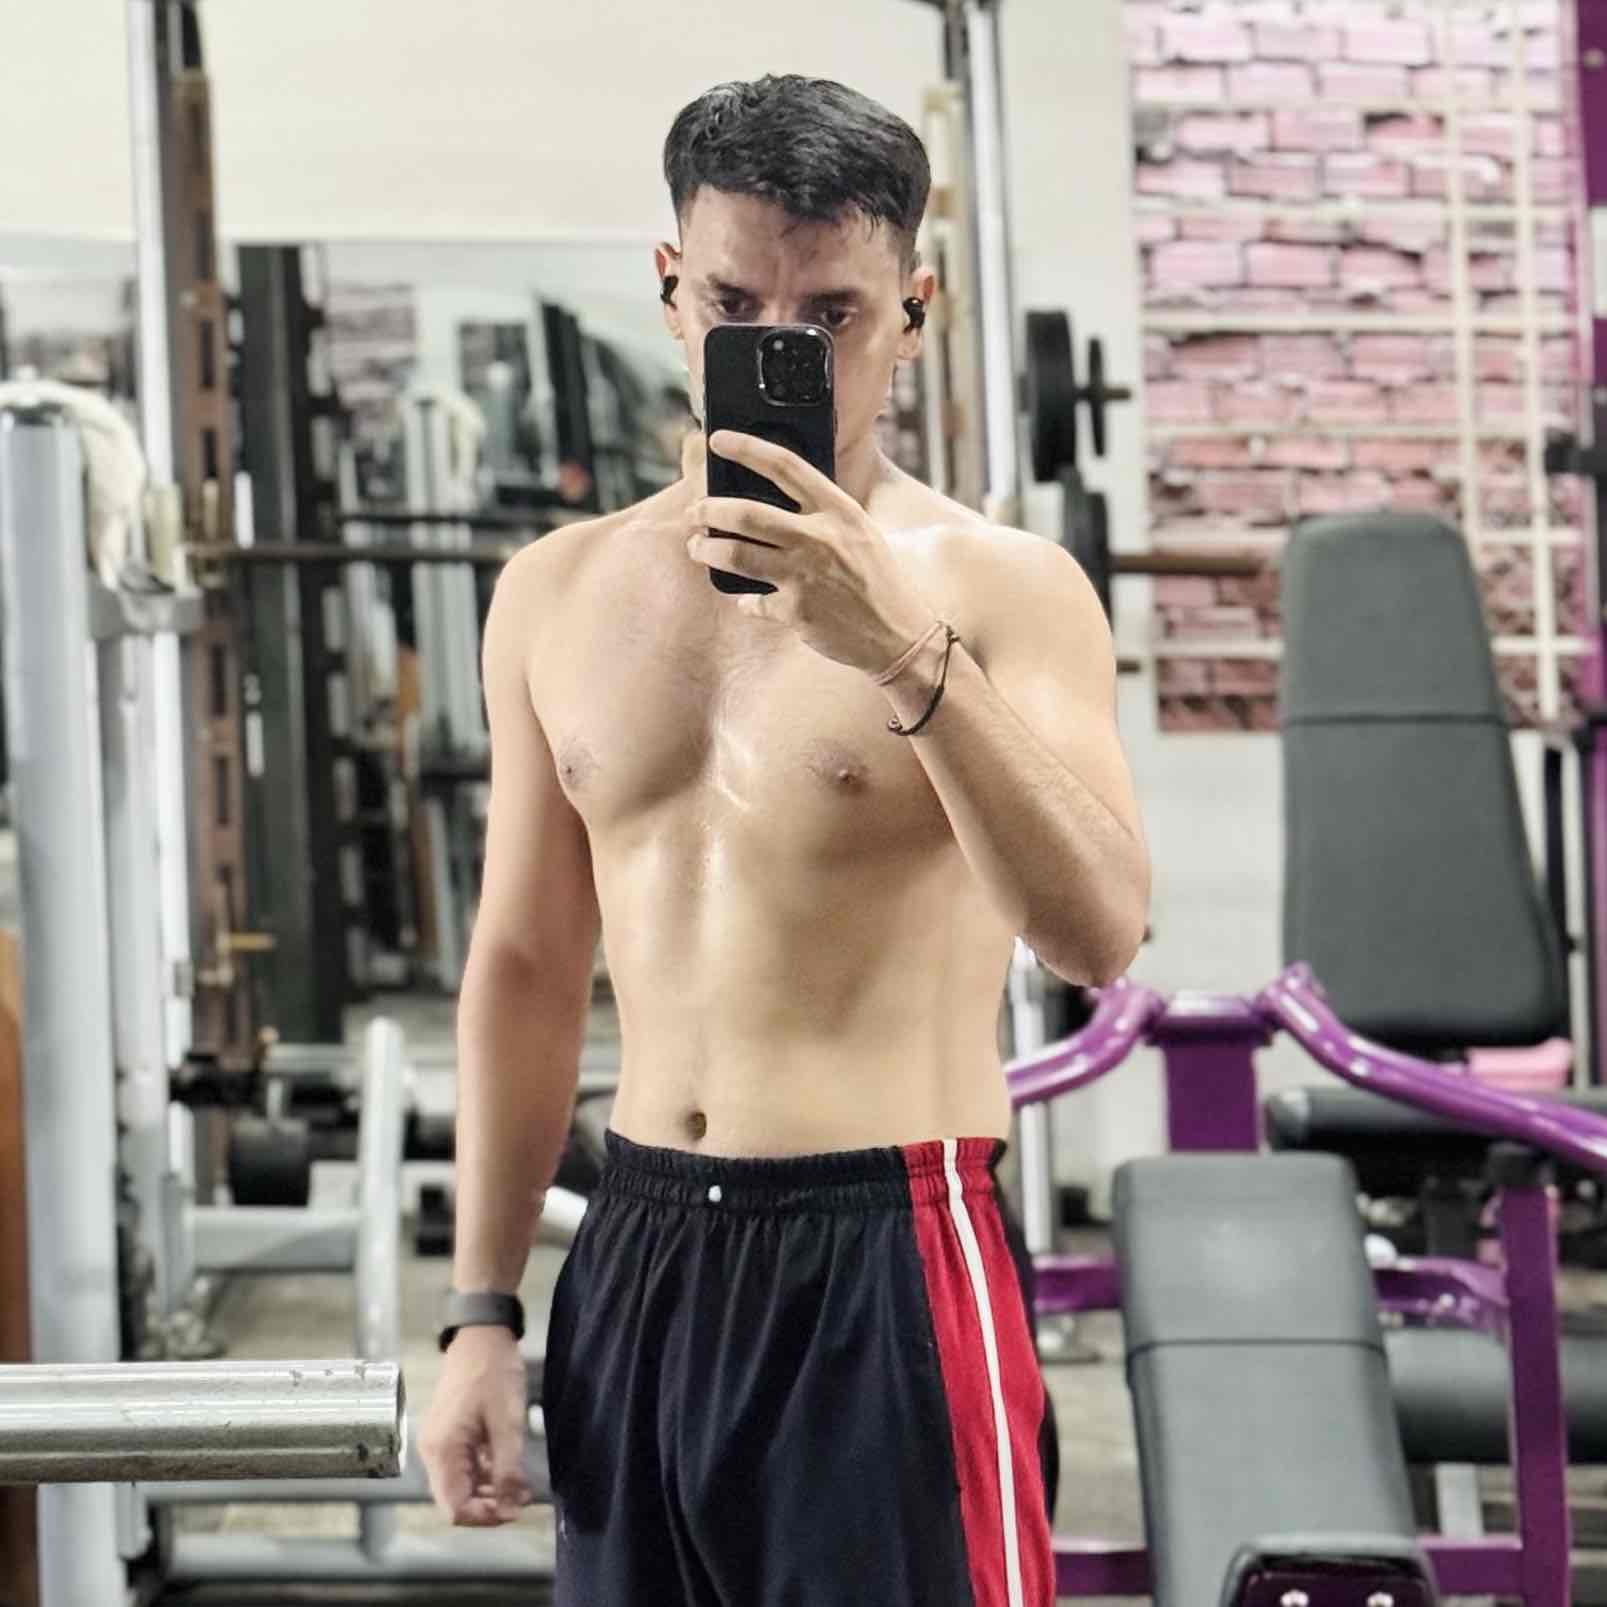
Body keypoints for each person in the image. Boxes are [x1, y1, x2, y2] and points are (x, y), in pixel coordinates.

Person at [419, 73, 1149, 1607]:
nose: (781, 345)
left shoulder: (1007, 591)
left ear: (915, 312)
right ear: (669, 289)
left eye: (832, 315)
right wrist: (480, 1309)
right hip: (638, 1248)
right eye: (736, 303)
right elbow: (527, 961)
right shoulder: (554, 592)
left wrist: (902, 655)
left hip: (889, 1253)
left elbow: (1096, 935)